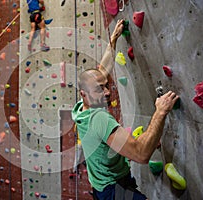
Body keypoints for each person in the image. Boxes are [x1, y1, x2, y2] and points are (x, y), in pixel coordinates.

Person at [71, 19, 179, 200]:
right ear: (83, 93)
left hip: (100, 186)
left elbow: (101, 71)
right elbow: (141, 153)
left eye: (105, 86)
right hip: (114, 190)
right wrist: (160, 112)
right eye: (100, 89)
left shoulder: (80, 109)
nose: (107, 93)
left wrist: (113, 40)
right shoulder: (99, 119)